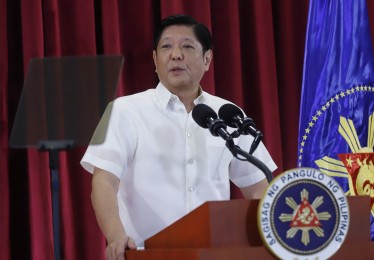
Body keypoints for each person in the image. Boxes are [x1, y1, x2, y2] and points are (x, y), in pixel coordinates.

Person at [81, 14, 277, 260]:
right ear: (154, 59)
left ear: (207, 59)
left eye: (187, 46)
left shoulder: (229, 114)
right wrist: (115, 236)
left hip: (215, 255)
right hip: (148, 254)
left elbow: (259, 188)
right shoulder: (123, 110)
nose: (175, 55)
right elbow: (103, 182)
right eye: (166, 47)